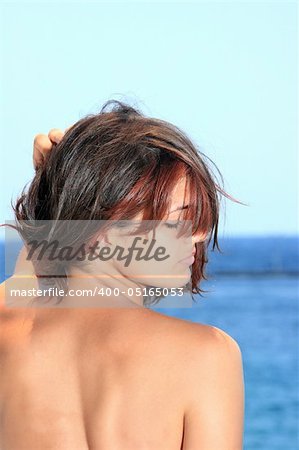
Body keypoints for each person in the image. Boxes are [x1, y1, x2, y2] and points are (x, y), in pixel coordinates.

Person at [0, 100, 245, 449]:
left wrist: (55, 182)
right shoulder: (206, 355)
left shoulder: (9, 335)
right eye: (182, 217)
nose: (200, 234)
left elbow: (26, 280)